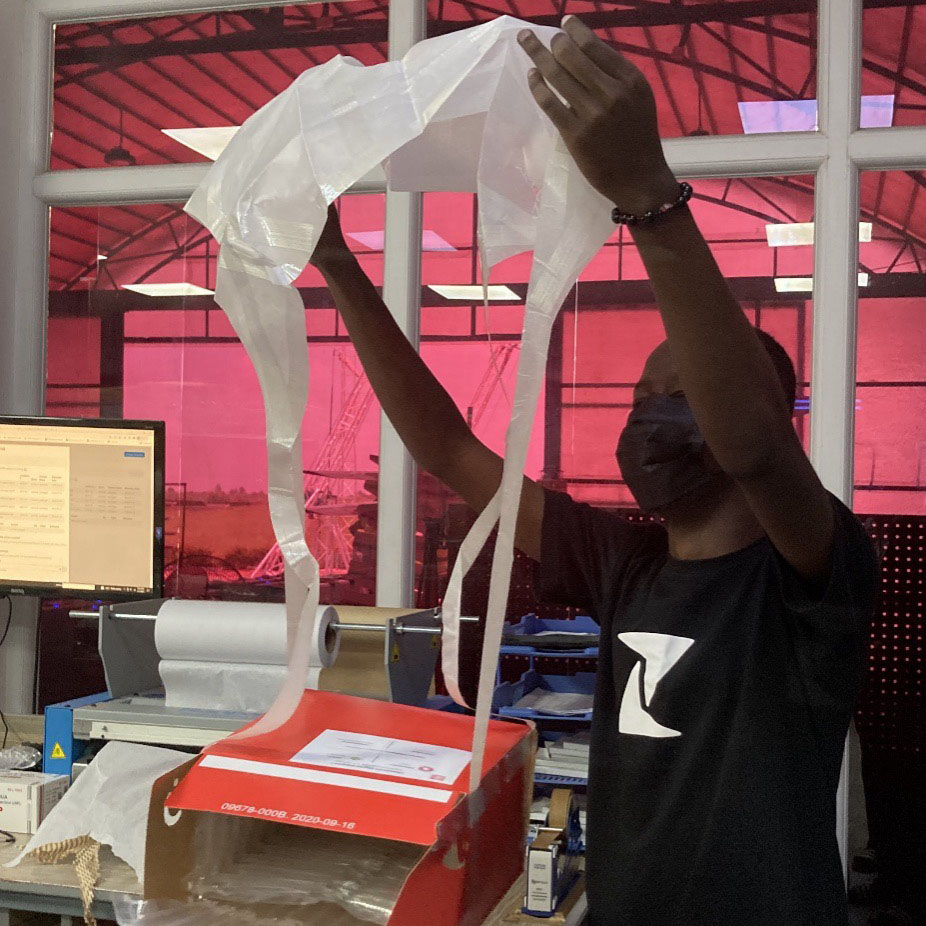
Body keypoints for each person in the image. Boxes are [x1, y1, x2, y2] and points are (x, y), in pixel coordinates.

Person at [309, 16, 878, 926]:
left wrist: (651, 198)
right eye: (641, 394)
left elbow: (759, 451)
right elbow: (453, 453)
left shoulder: (812, 578)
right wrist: (338, 269)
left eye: (678, 391)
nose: (647, 414)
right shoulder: (628, 567)